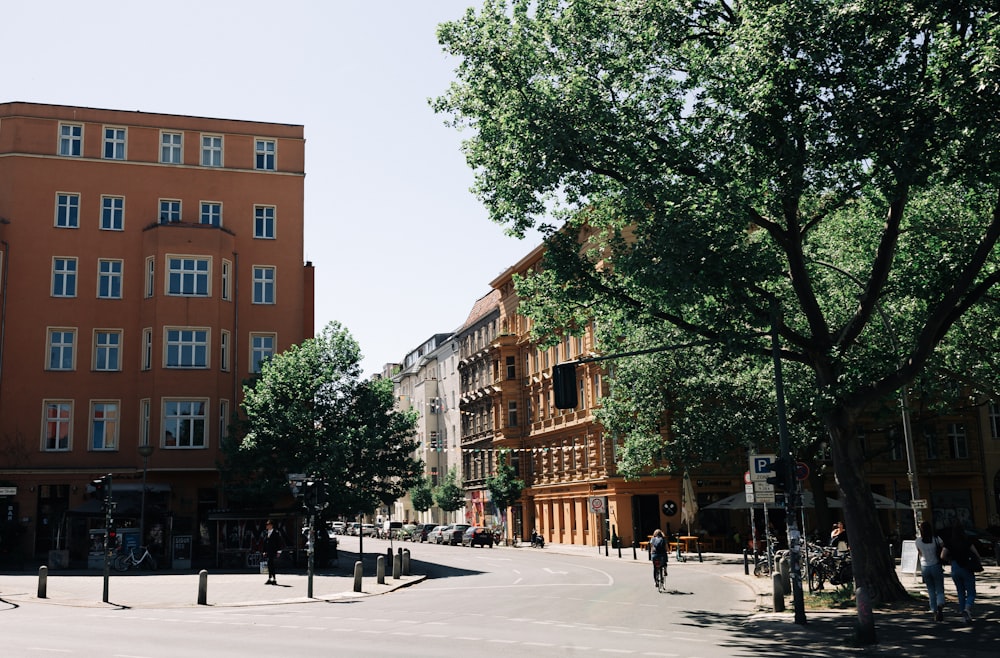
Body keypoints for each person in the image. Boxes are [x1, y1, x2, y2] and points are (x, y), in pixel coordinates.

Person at [942, 523, 981, 624]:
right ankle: (967, 609)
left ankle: (963, 614)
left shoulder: (949, 542)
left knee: (960, 592)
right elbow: (977, 555)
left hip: (955, 567)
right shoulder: (967, 542)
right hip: (967, 568)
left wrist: (950, 560)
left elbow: (942, 555)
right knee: (971, 592)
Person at [914, 521, 946, 621]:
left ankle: (934, 610)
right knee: (939, 588)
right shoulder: (936, 539)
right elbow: (943, 547)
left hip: (925, 566)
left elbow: (920, 554)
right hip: (936, 565)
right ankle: (940, 603)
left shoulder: (918, 541)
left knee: (931, 589)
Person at [263, 519, 284, 585]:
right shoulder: (266, 533)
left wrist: (279, 552)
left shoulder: (276, 533)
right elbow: (265, 543)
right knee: (269, 565)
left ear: (271, 525)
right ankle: (270, 578)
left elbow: (279, 542)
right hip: (268, 551)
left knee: (272, 564)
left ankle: (273, 579)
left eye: (268, 525)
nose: (266, 526)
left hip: (273, 551)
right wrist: (264, 551)